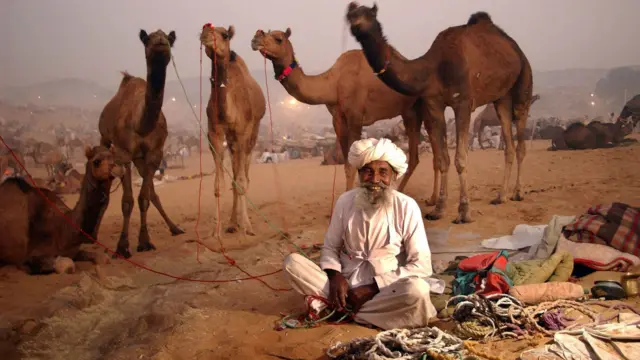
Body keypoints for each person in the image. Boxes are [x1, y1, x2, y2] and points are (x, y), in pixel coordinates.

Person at [283, 138, 437, 330]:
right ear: (359, 173)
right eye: (368, 171)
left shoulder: (407, 206)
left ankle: (341, 310)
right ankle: (356, 310)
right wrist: (335, 276)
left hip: (385, 288)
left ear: (394, 176)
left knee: (417, 291)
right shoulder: (345, 202)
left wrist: (372, 288)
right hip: (344, 286)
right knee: (293, 263)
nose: (375, 180)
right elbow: (331, 248)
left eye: (383, 172)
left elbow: (421, 265)